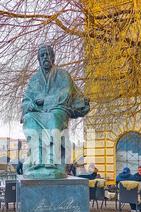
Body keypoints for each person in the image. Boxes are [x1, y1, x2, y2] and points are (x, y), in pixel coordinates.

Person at [21, 44, 90, 179]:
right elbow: (26, 99)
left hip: (58, 110)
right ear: (39, 59)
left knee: (54, 116)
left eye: (48, 54)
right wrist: (30, 105)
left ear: (53, 57)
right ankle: (37, 158)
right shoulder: (34, 79)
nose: (45, 57)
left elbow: (65, 94)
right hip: (38, 112)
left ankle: (53, 159)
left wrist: (45, 101)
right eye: (42, 55)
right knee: (29, 118)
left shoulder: (63, 75)